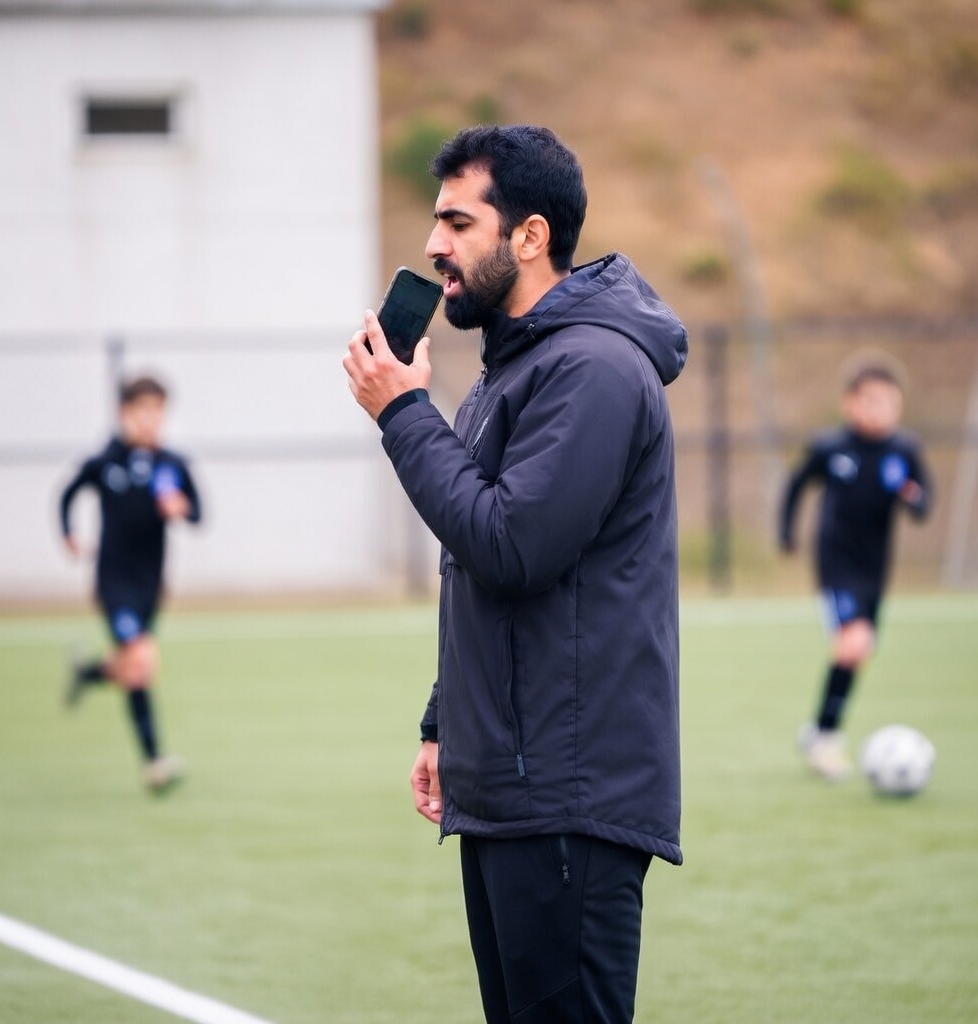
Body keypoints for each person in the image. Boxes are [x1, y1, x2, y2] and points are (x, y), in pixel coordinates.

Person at [342, 124, 687, 1023]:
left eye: (458, 222)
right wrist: (444, 720)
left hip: (567, 793)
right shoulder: (516, 368)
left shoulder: (595, 369)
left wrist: (403, 413)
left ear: (528, 235)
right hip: (512, 784)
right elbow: (486, 566)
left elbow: (514, 545)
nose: (433, 246)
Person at [779, 353, 931, 781]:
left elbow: (923, 504)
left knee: (857, 652)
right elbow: (796, 484)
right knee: (853, 643)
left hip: (875, 567)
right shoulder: (831, 447)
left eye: (889, 403)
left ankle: (817, 728)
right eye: (871, 401)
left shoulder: (904, 450)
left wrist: (912, 496)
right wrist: (786, 531)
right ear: (850, 403)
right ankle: (826, 740)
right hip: (835, 560)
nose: (879, 410)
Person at [59, 373, 201, 794]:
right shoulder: (106, 461)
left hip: (151, 585)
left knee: (132, 666)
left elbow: (198, 514)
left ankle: (89, 673)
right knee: (141, 661)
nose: (151, 421)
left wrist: (181, 508)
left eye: (158, 412)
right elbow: (67, 493)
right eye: (142, 411)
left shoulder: (171, 464)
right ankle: (154, 761)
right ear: (125, 414)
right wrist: (68, 533)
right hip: (113, 582)